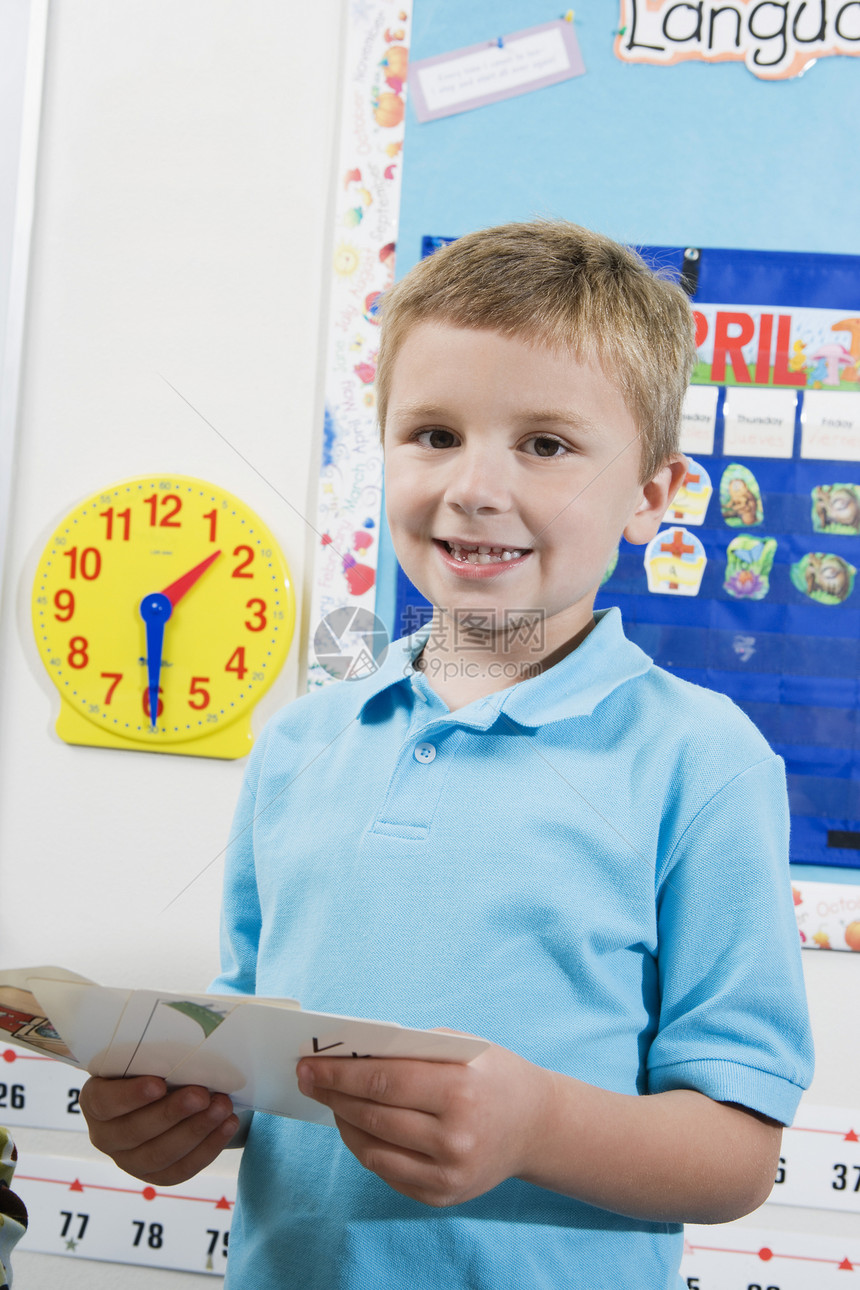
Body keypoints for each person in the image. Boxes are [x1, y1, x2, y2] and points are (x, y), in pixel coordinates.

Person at [80, 221, 814, 1289]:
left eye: (545, 444)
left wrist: (538, 1126)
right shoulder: (299, 745)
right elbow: (252, 1041)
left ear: (654, 497)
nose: (473, 486)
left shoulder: (702, 763)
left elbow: (734, 1158)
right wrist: (190, 1110)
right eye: (431, 434)